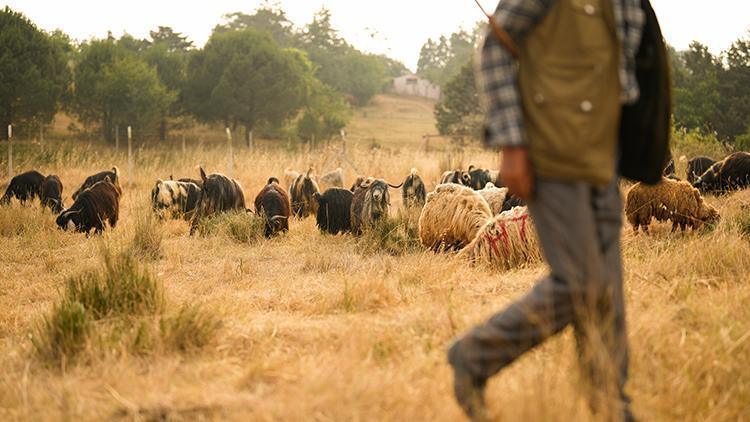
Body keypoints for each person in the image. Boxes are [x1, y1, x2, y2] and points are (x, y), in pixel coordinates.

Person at [447, 0, 650, 420]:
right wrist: (512, 142)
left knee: (606, 293)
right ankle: (475, 355)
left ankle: (612, 405)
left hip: (602, 160)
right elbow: (495, 47)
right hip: (551, 155)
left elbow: (623, 71)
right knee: (580, 283)